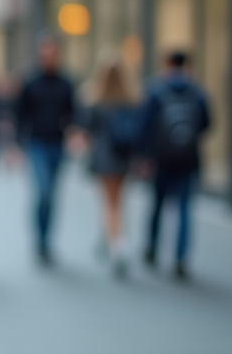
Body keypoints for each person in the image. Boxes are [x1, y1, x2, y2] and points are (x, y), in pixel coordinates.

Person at [138, 49, 210, 280]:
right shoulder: (196, 92)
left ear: (167, 65)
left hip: (160, 159)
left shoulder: (156, 90)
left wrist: (145, 156)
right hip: (187, 159)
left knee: (157, 205)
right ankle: (181, 258)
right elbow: (206, 123)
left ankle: (152, 247)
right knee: (184, 209)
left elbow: (145, 125)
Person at [14, 35, 76, 264]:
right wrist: (17, 145)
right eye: (45, 53)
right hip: (36, 145)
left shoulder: (66, 83)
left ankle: (47, 240)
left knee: (52, 196)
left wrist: (74, 135)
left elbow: (72, 114)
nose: (49, 57)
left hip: (57, 145)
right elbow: (20, 115)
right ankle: (40, 240)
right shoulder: (31, 83)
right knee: (43, 193)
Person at [79, 50, 141, 277]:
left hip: (103, 156)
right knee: (118, 202)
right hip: (123, 158)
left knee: (108, 203)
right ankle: (110, 238)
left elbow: (86, 129)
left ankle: (117, 245)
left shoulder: (94, 98)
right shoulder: (131, 98)